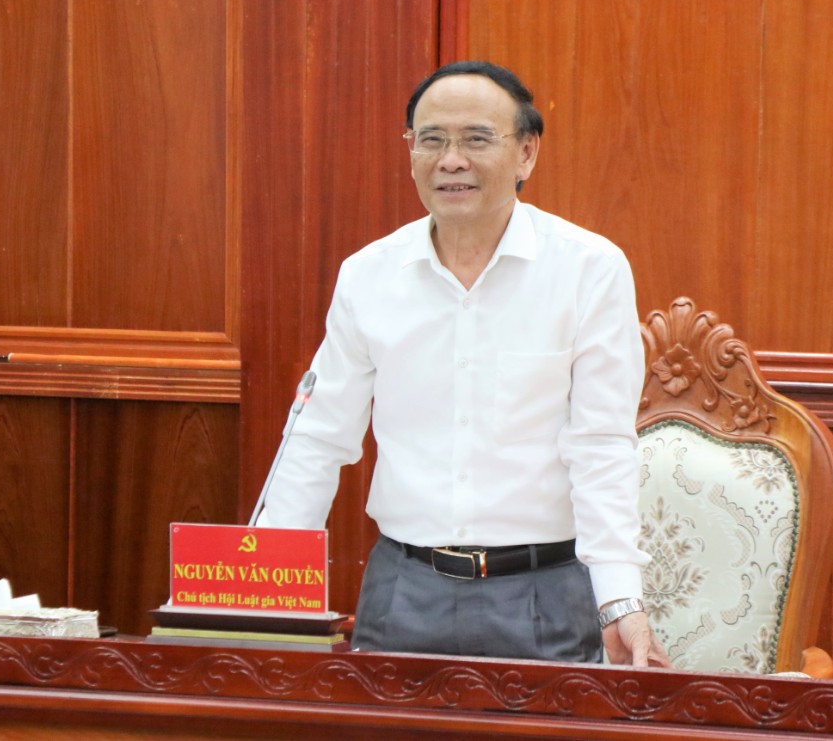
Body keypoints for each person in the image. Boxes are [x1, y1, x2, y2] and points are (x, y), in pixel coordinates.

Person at [256, 60, 669, 667]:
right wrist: (264, 596)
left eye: (476, 139)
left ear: (526, 153)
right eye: (431, 140)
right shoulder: (368, 275)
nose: (451, 160)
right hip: (402, 588)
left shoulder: (588, 270)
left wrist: (618, 600)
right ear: (411, 152)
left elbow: (601, 445)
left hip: (543, 593)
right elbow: (318, 437)